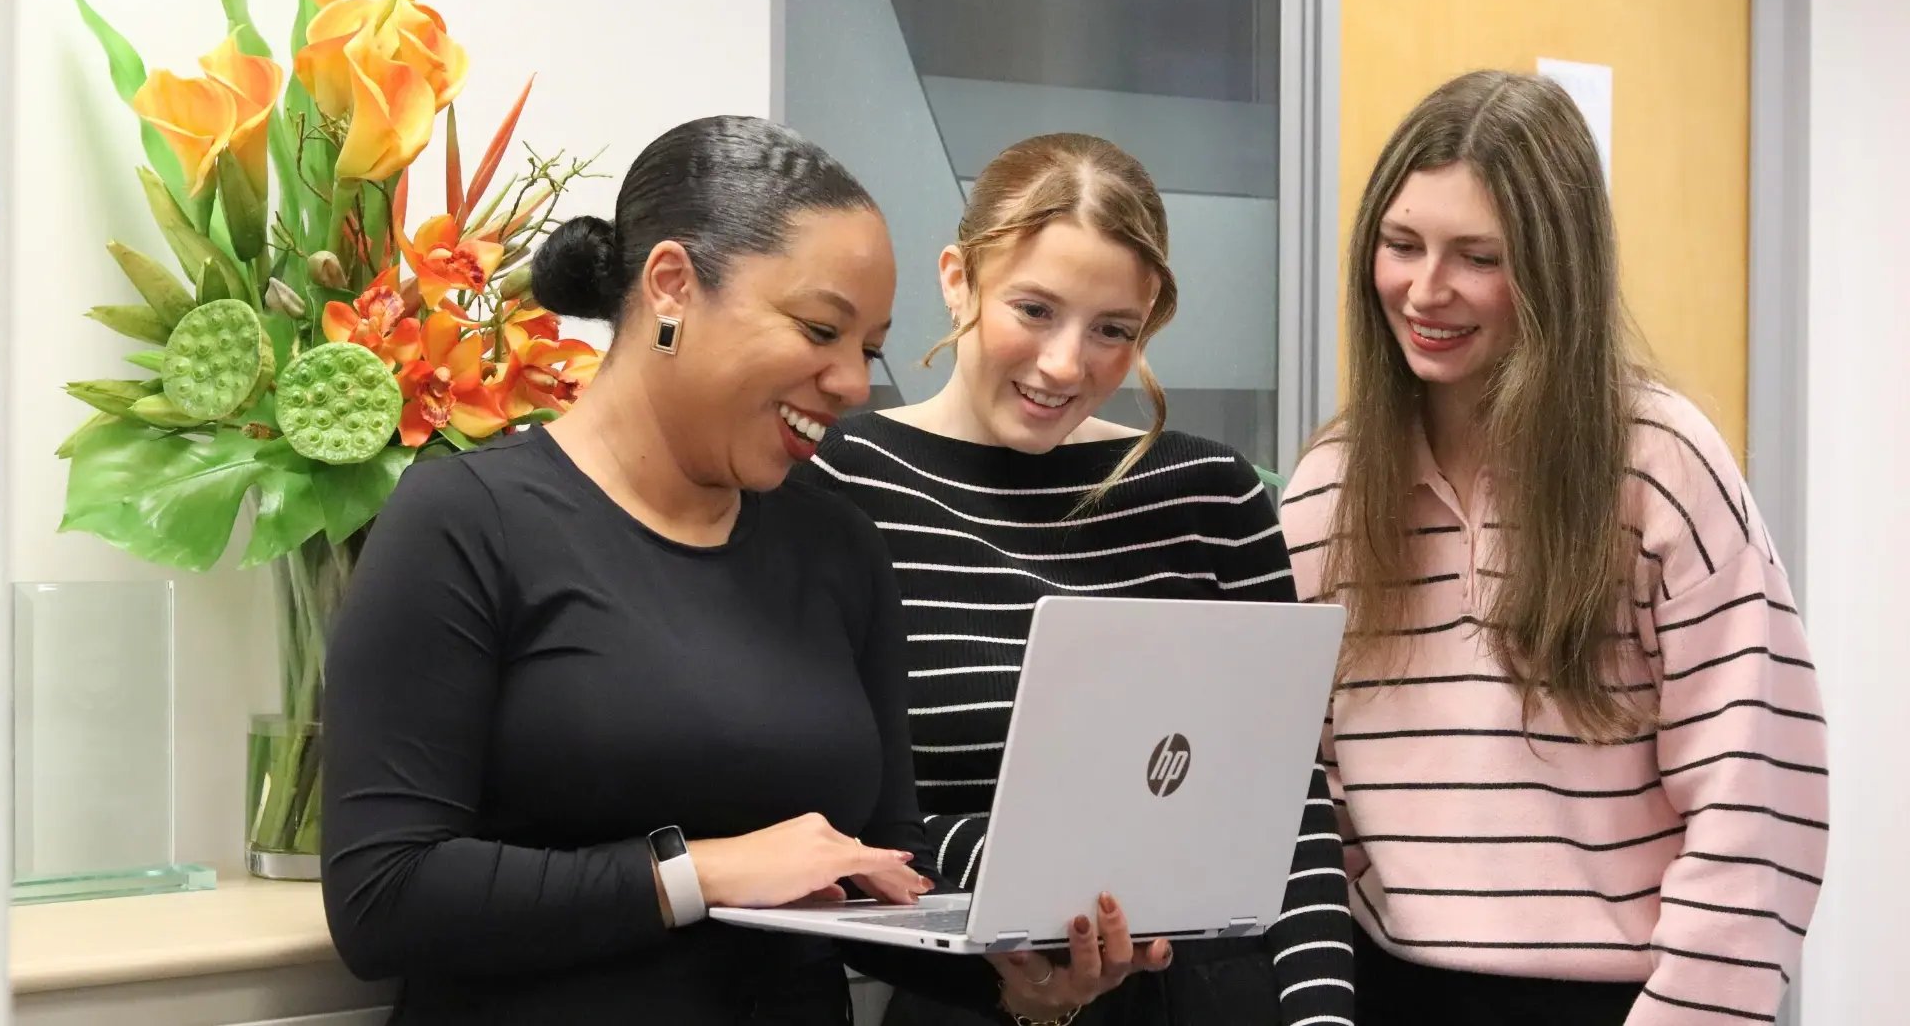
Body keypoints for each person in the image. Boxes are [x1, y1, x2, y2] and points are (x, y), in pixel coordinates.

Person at [319, 117, 1160, 1025]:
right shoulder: (464, 522)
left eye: (868, 347)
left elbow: (879, 883)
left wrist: (1019, 974)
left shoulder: (837, 546)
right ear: (673, 286)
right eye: (819, 329)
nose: (849, 382)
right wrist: (701, 871)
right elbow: (383, 896)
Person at [1281, 71, 1828, 1025]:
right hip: (1386, 990)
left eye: (1477, 256)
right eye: (1401, 244)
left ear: (1555, 266)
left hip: (1623, 1001)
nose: (1426, 289)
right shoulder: (1328, 490)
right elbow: (1300, 790)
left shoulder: (1658, 465)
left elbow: (1760, 794)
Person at [794, 133, 1357, 1026]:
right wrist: (1008, 877)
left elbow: (1289, 800)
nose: (1066, 364)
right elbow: (825, 811)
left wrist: (1324, 1016)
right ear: (956, 278)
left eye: (1112, 331)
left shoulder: (1212, 496)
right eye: (1034, 309)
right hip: (974, 1002)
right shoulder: (844, 481)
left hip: (1204, 1000)